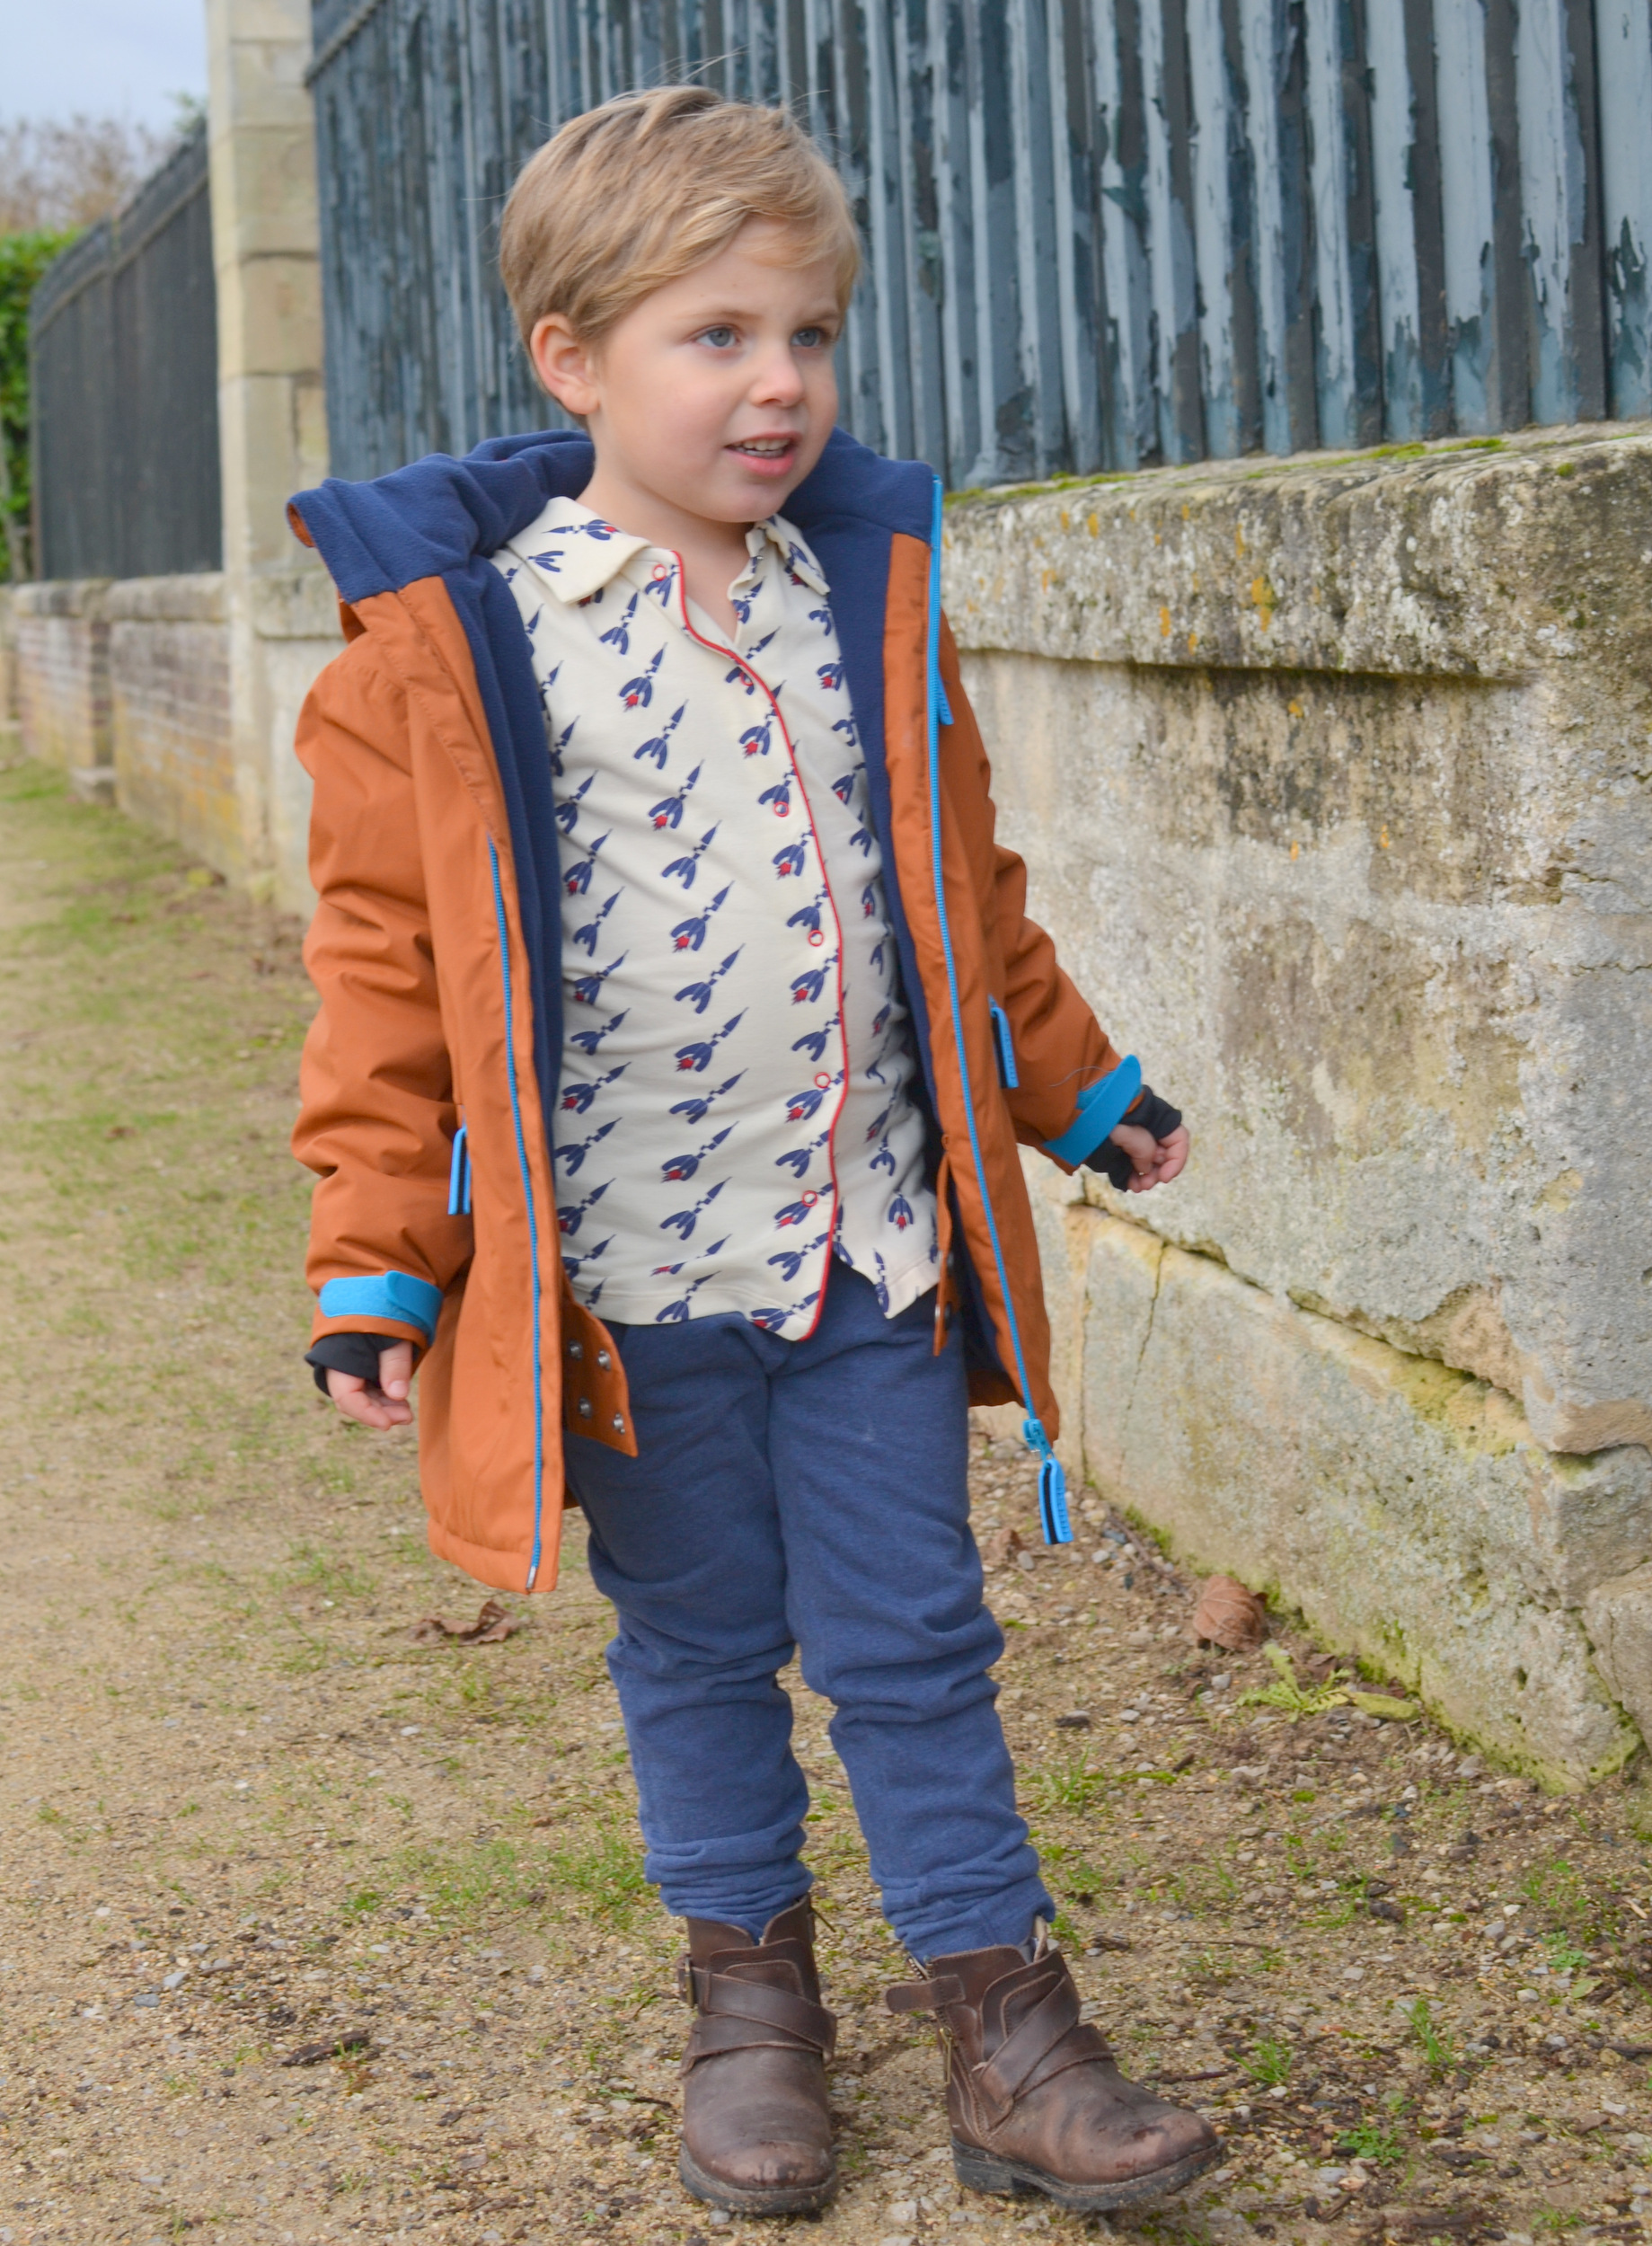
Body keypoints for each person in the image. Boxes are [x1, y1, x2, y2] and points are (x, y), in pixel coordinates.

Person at [287, 84, 1213, 2222]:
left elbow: (962, 895)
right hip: (620, 1289)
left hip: (862, 1254)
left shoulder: (863, 598)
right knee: (697, 1645)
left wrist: (1076, 1086)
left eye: (805, 333)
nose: (776, 382)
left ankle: (1004, 2023)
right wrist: (374, 1263)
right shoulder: (452, 650)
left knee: (914, 1633)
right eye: (713, 336)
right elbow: (383, 995)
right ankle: (748, 2008)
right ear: (570, 355)